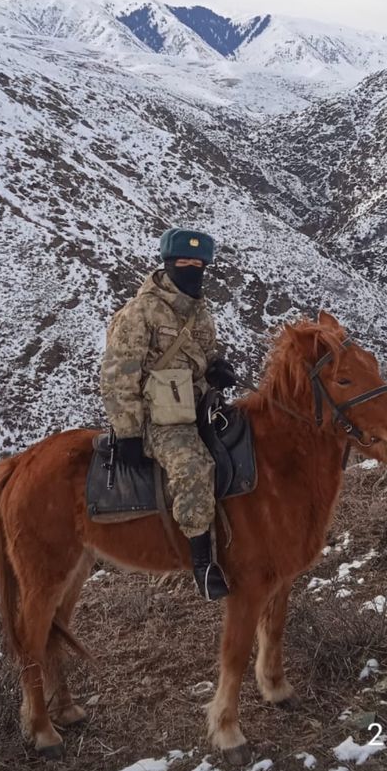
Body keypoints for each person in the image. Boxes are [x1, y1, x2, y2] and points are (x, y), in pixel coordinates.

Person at [99, 228, 237, 600]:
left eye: (198, 263)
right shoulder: (140, 311)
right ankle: (202, 564)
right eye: (184, 263)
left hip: (199, 404)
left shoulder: (199, 308)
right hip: (160, 417)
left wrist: (216, 368)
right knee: (193, 468)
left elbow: (204, 355)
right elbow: (117, 374)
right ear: (168, 263)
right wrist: (127, 431)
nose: (192, 269)